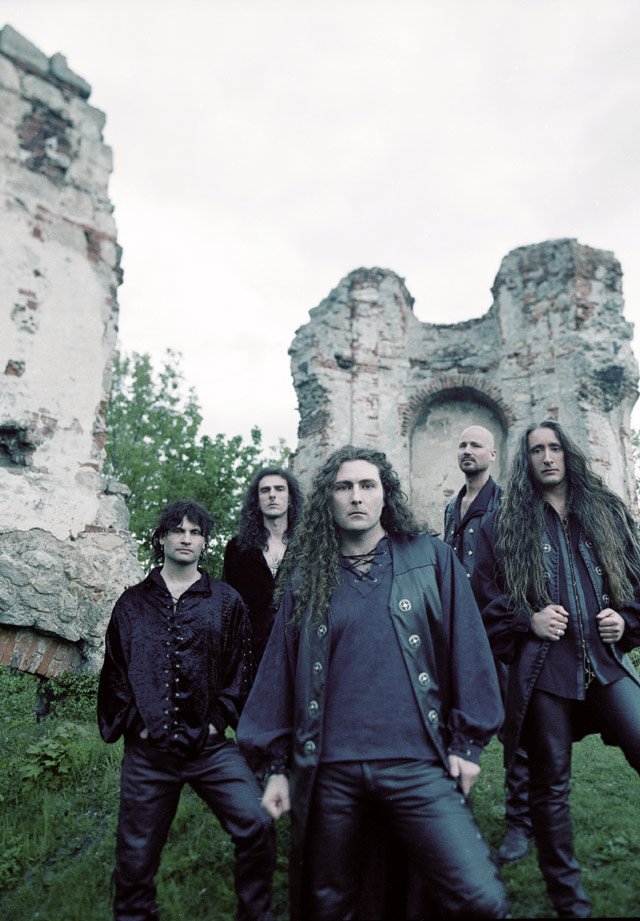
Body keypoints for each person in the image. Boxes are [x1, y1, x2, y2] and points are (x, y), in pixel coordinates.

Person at [238, 445, 509, 920]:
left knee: (480, 898)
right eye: (343, 487)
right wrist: (276, 765)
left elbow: (469, 648)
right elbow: (279, 670)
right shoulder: (307, 577)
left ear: (386, 494)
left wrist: (468, 745)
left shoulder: (431, 559)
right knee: (330, 906)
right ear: (329, 499)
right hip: (331, 772)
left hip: (416, 764)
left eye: (368, 485)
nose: (356, 497)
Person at [472, 421, 640, 918]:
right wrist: (528, 619)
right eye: (536, 451)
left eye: (555, 448)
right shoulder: (504, 523)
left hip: (605, 663)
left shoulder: (605, 510)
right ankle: (570, 902)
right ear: (525, 460)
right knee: (551, 785)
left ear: (569, 454)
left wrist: (624, 619)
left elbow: (636, 578)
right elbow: (484, 597)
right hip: (544, 671)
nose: (547, 457)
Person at [98, 499, 275, 921]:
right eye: (178, 530)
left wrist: (217, 722)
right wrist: (136, 724)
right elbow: (116, 672)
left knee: (257, 821)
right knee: (135, 859)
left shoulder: (226, 601)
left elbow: (240, 670)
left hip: (209, 750)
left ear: (204, 542)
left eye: (196, 532)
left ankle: (255, 914)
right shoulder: (132, 604)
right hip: (149, 754)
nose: (186, 538)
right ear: (161, 538)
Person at [444, 424, 533, 864]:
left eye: (476, 445)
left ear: (492, 454)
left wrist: (515, 618)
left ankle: (521, 822)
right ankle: (453, 811)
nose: (467, 450)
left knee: (516, 731)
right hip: (459, 634)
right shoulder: (452, 507)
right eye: (462, 444)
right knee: (453, 722)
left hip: (501, 634)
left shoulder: (508, 503)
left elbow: (522, 571)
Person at [223, 466, 303, 664]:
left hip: (299, 652)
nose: (272, 495)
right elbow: (228, 606)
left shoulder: (308, 546)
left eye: (279, 489)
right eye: (265, 490)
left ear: (290, 498)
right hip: (251, 655)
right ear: (257, 501)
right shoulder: (237, 549)